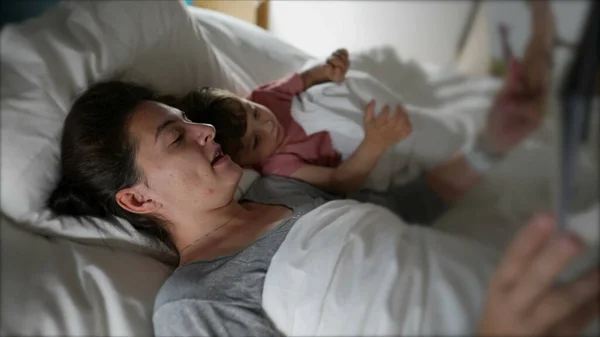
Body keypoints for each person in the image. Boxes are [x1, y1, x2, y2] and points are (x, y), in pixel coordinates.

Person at [47, 2, 599, 335]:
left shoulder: (285, 187)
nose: (206, 130)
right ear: (139, 200)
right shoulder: (196, 301)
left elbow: (411, 209)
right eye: (177, 136)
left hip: (515, 280)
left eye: (192, 120)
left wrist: (492, 143)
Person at [168, 48, 414, 198]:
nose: (267, 125)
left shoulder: (264, 97)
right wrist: (375, 144)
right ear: (245, 163)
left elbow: (307, 77)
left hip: (360, 106)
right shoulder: (278, 165)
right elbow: (339, 180)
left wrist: (330, 69)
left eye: (254, 112)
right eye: (256, 141)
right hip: (362, 149)